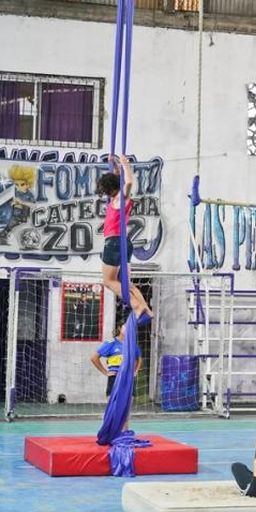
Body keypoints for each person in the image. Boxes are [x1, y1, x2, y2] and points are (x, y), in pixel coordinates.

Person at [97, 155, 152, 323]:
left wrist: (125, 163)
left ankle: (137, 305)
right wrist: (116, 167)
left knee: (108, 281)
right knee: (125, 283)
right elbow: (121, 181)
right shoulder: (117, 199)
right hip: (125, 243)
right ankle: (147, 310)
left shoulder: (120, 199)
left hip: (113, 242)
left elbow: (127, 183)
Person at [90, 322, 143, 398]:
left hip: (128, 378)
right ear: (119, 328)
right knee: (113, 406)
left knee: (127, 406)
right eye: (126, 327)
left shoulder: (134, 345)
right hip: (115, 378)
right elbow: (94, 358)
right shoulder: (111, 343)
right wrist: (105, 372)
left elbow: (139, 359)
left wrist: (135, 371)